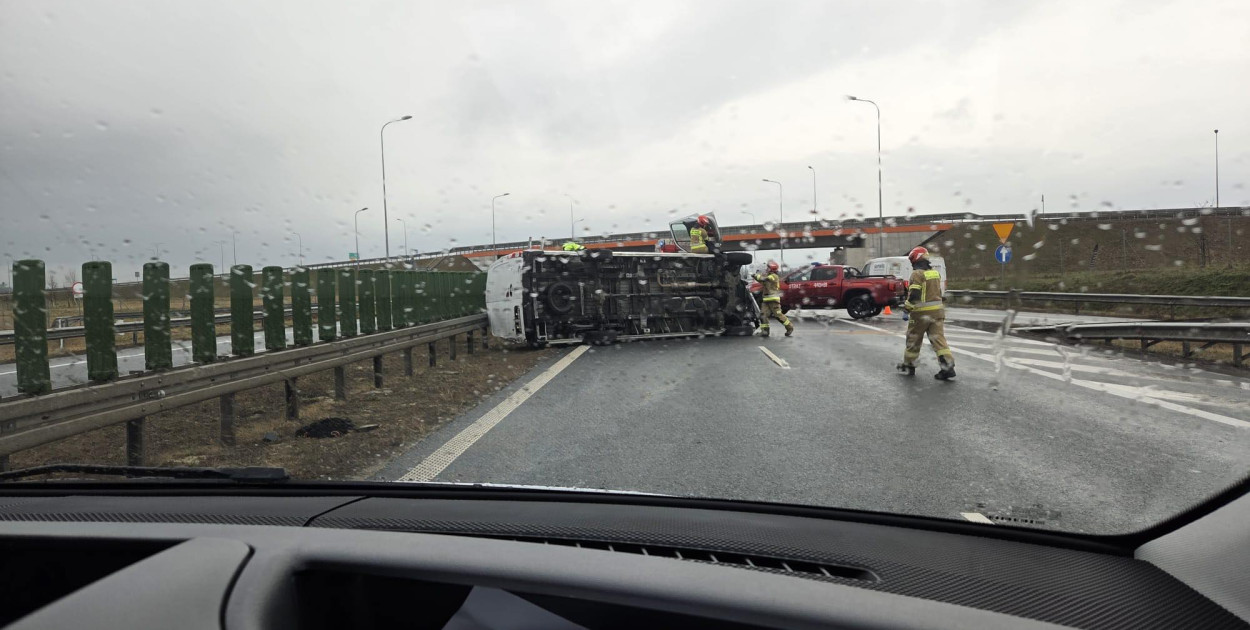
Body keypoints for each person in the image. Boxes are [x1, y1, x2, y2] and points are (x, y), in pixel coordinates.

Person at [897, 246, 955, 379]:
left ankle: (909, 366)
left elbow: (915, 294)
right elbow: (939, 294)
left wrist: (907, 309)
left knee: (913, 340)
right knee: (939, 340)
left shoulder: (917, 274)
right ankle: (948, 367)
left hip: (921, 314)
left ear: (915, 260)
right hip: (938, 313)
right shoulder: (935, 273)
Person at [752, 261, 793, 338]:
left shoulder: (774, 276)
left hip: (774, 300)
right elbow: (761, 279)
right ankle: (765, 331)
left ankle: (790, 327)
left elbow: (764, 279)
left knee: (778, 315)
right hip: (766, 300)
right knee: (763, 315)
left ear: (772, 269)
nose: (766, 269)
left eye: (768, 268)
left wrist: (756, 276)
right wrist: (755, 276)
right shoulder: (768, 275)